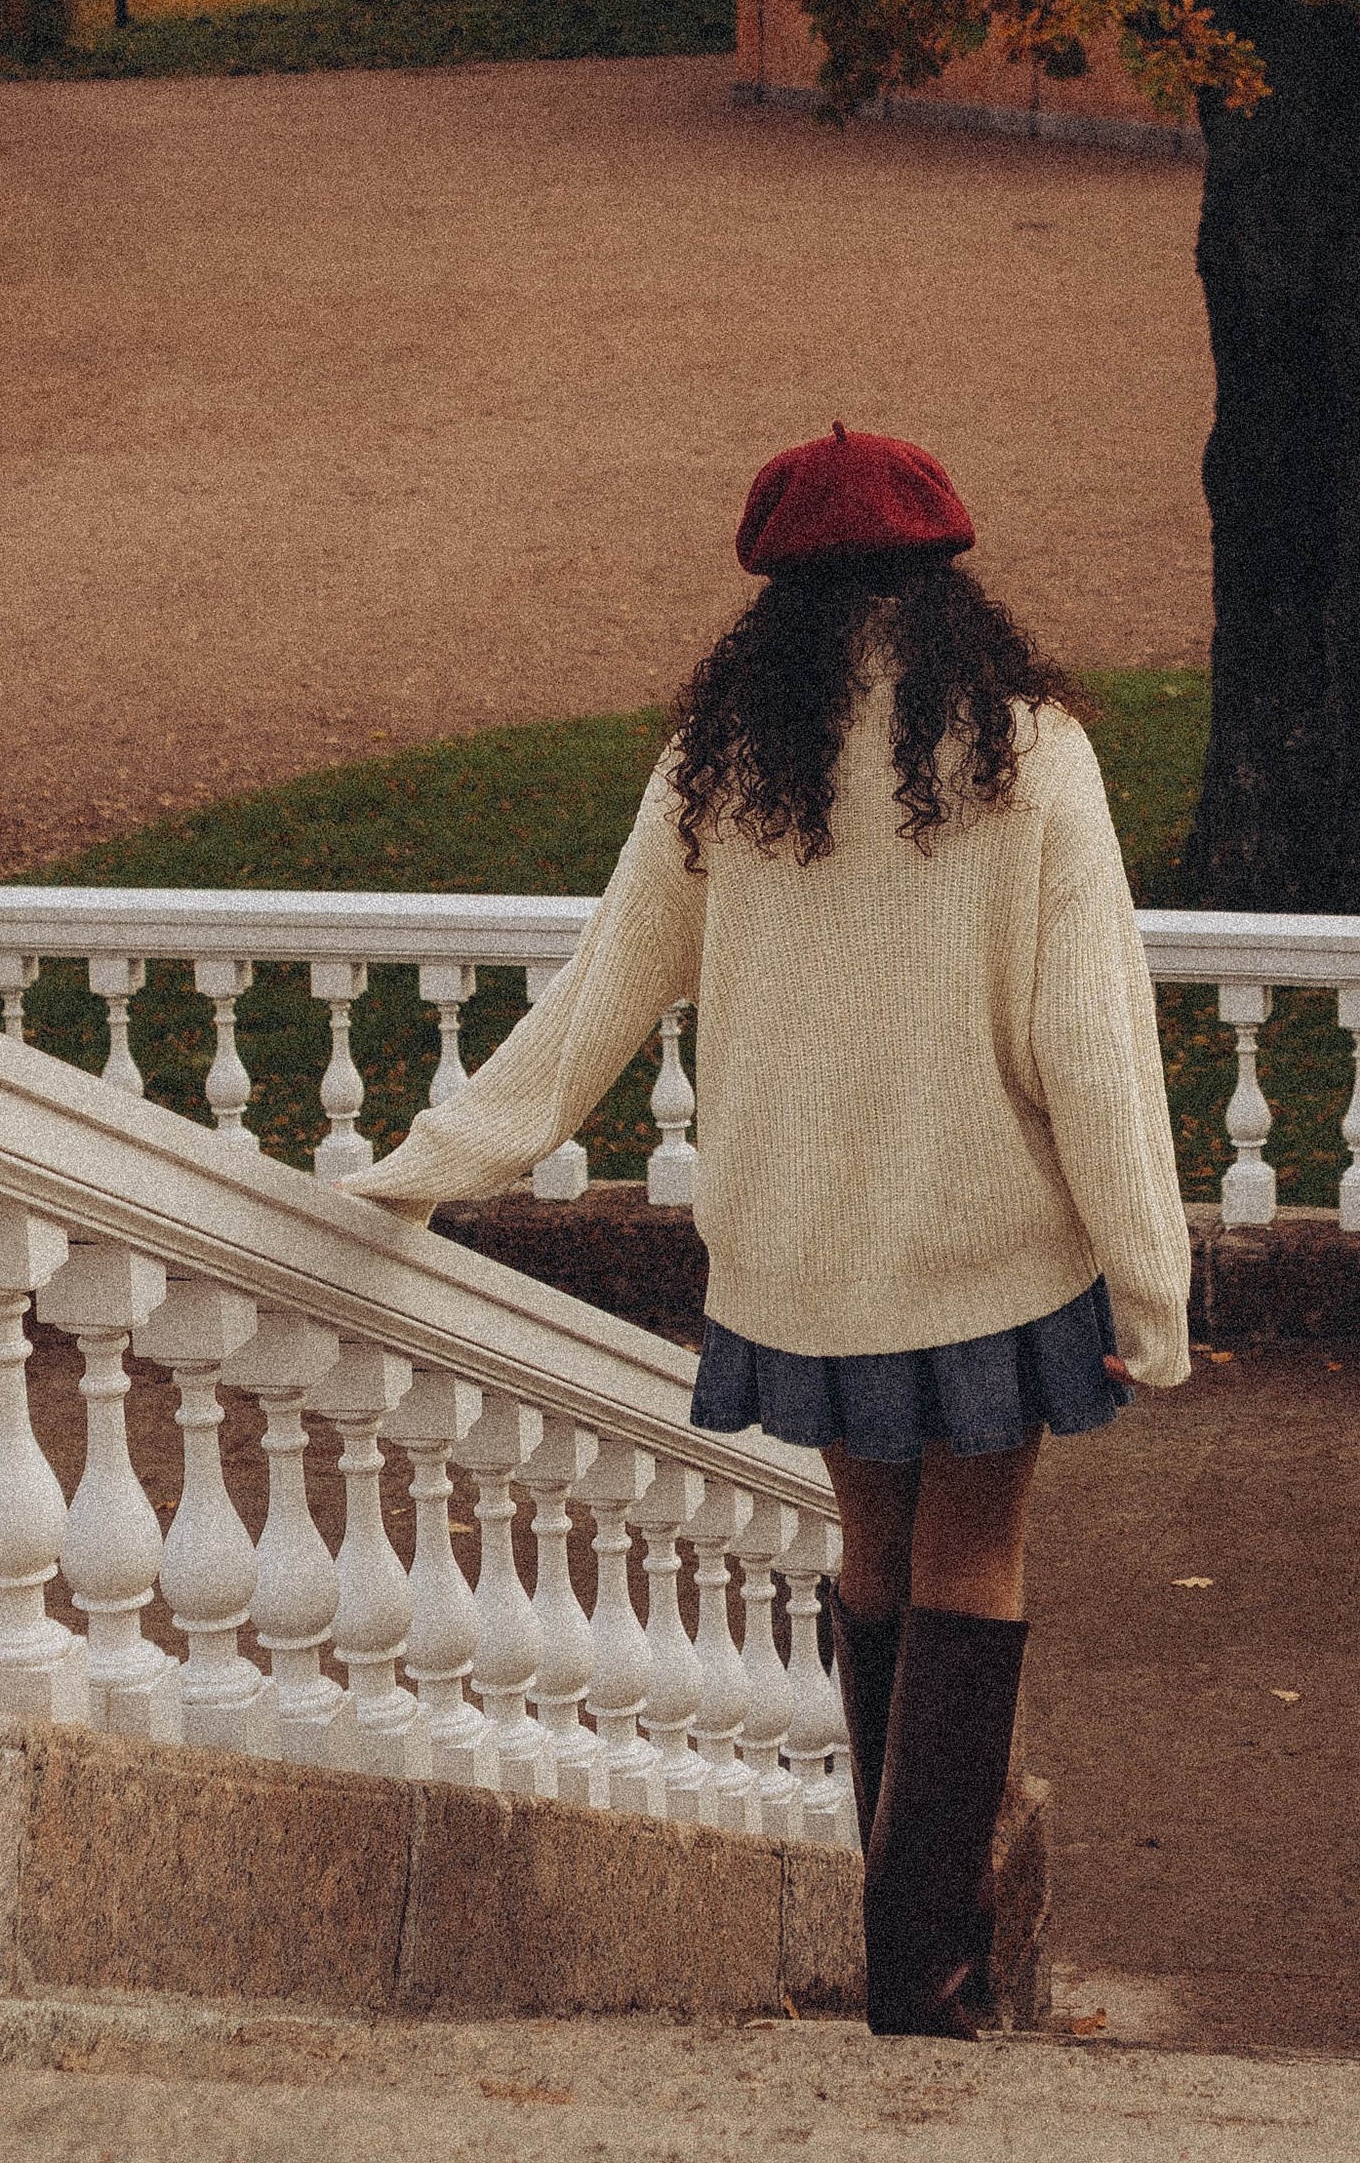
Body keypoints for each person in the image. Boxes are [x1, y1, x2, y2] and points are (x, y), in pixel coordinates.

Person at [354, 420, 1192, 2037]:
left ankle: (915, 1966)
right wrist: (1150, 1288)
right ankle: (922, 1974)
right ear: (950, 580)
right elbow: (1096, 1044)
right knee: (976, 1553)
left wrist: (433, 1159)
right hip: (993, 1254)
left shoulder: (722, 772)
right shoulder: (1031, 758)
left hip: (799, 1262)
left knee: (874, 1556)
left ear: (775, 601)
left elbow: (593, 1004)